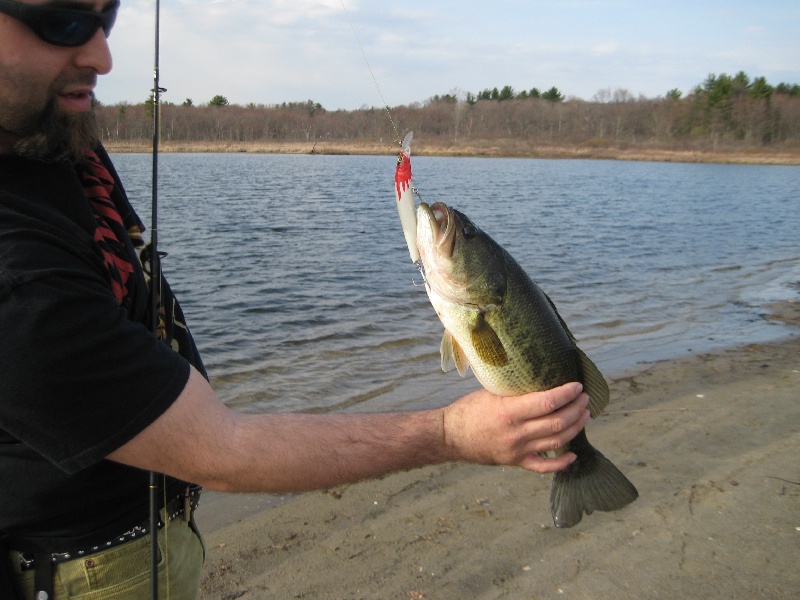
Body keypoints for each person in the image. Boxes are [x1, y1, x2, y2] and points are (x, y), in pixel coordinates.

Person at [0, 1, 591, 598]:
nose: (102, 54)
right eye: (63, 22)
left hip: (153, 534)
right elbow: (220, 449)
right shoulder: (15, 272)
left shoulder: (47, 135)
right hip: (83, 569)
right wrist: (451, 434)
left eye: (108, 17)